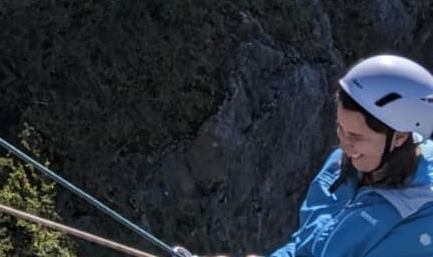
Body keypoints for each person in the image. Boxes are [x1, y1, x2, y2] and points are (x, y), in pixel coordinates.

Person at [183, 54, 433, 257]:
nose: (343, 145)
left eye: (356, 137)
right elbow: (306, 248)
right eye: (340, 129)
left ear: (400, 136)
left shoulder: (423, 215)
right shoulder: (342, 166)